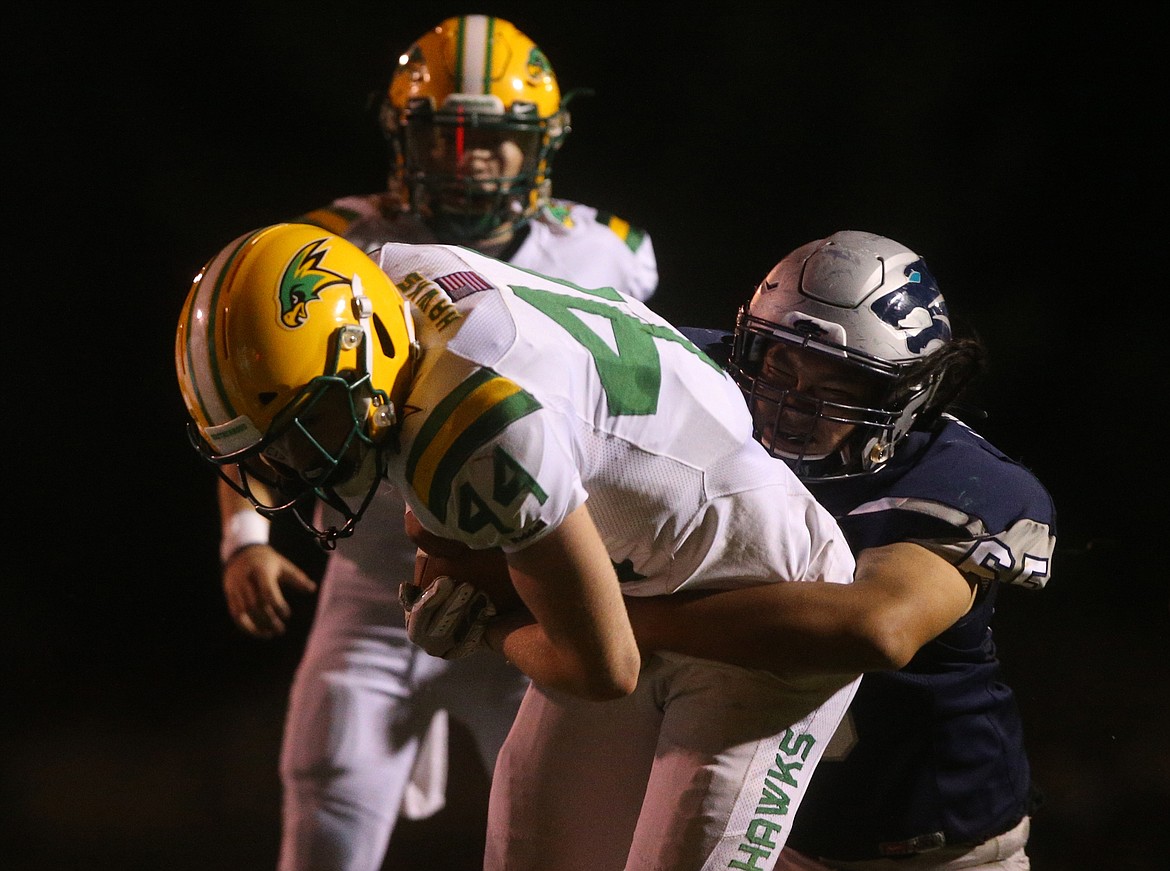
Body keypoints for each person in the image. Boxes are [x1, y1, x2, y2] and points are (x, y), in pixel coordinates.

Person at [175, 222, 862, 870]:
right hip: (639, 570)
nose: (301, 463)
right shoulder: (395, 278)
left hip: (764, 607)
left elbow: (603, 667)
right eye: (274, 446)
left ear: (364, 342)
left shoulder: (474, 428)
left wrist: (491, 629)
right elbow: (448, 528)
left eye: (307, 423)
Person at [212, 14, 659, 871]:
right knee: (326, 797)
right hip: (379, 576)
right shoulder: (329, 250)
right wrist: (245, 536)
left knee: (564, 836)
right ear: (401, 138)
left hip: (532, 580)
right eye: (445, 133)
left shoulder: (607, 255)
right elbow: (257, 399)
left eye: (491, 136)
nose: (468, 155)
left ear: (540, 145)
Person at [619, 230, 1057, 870]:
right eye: (780, 365)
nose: (794, 404)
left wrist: (616, 621)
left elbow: (875, 628)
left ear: (906, 394)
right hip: (774, 835)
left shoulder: (963, 483)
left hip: (936, 853)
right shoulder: (701, 368)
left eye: (841, 382)